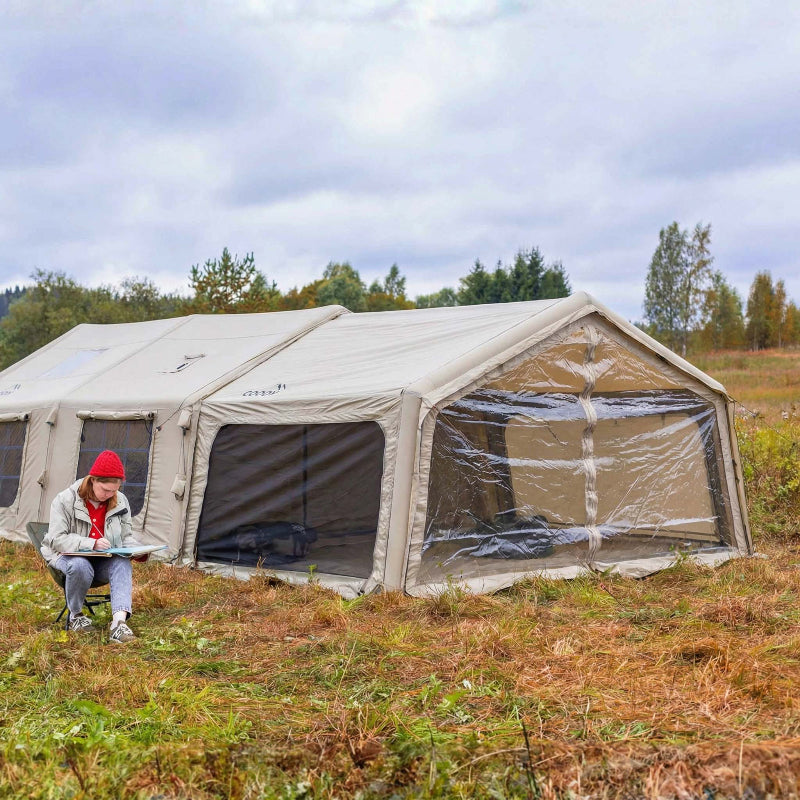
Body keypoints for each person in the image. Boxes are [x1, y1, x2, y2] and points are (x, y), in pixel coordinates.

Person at [41, 449, 146, 644]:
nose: (109, 495)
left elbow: (125, 537)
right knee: (80, 565)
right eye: (105, 490)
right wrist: (91, 543)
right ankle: (76, 616)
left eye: (114, 490)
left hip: (101, 562)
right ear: (93, 480)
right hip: (67, 558)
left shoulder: (120, 501)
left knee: (122, 563)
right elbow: (56, 538)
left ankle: (119, 624)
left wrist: (137, 550)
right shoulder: (65, 500)